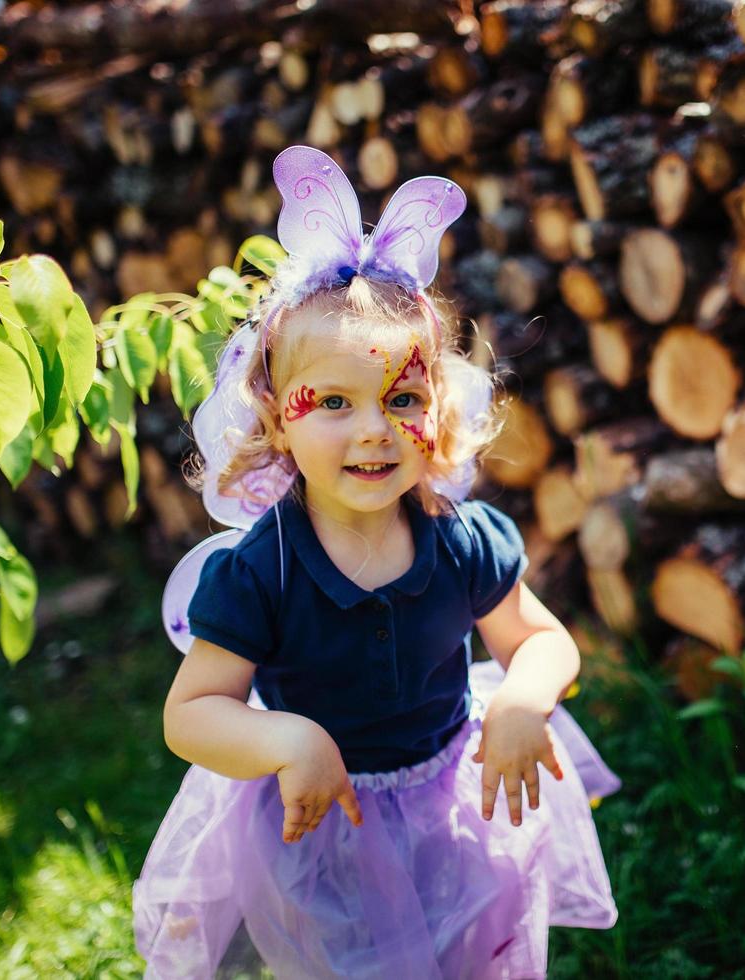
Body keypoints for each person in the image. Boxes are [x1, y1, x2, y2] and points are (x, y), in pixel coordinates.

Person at [132, 146, 618, 979]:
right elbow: (192, 713)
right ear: (278, 423)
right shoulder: (264, 570)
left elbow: (543, 642)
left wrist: (521, 703)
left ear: (439, 409)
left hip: (451, 801)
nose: (373, 430)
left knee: (470, 945)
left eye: (403, 399)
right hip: (324, 816)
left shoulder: (458, 537)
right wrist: (288, 740)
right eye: (331, 402)